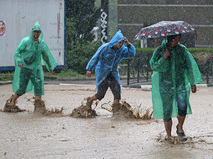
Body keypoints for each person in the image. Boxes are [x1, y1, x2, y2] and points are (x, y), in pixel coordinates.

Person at [150, 34, 202, 141]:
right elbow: (153, 66)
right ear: (169, 38)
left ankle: (180, 128)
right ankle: (169, 136)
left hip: (180, 84)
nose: (176, 41)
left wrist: (193, 82)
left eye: (178, 39)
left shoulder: (182, 50)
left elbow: (189, 66)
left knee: (183, 106)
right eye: (174, 39)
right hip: (165, 85)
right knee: (167, 111)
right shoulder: (160, 50)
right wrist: (163, 57)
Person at [4, 21, 57, 111]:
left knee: (39, 86)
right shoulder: (25, 41)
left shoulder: (42, 44)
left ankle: (38, 107)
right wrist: (19, 62)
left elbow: (46, 56)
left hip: (37, 69)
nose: (36, 34)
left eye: (38, 32)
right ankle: (13, 100)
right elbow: (18, 52)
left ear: (40, 33)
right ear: (32, 32)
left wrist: (50, 67)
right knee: (22, 88)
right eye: (35, 32)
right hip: (26, 68)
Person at [86, 30, 136, 111]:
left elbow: (131, 54)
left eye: (122, 43)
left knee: (117, 93)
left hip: (113, 73)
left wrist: (128, 44)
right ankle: (89, 102)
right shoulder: (105, 48)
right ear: (115, 41)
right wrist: (89, 69)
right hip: (103, 73)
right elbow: (96, 57)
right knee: (100, 94)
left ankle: (116, 112)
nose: (120, 45)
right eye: (119, 43)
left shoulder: (122, 50)